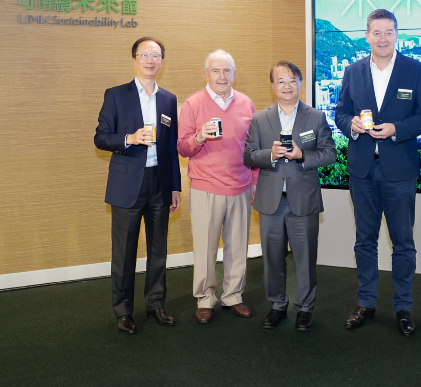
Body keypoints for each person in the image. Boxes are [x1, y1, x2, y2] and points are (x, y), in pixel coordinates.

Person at [335, 9, 421, 335]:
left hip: (400, 170)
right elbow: (339, 112)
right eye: (376, 33)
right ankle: (365, 302)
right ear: (367, 36)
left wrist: (396, 128)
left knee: (403, 242)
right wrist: (348, 123)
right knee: (365, 241)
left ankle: (403, 306)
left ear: (397, 35)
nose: (382, 39)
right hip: (362, 171)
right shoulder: (353, 71)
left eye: (389, 32)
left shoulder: (415, 70)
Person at [94, 36, 181, 335]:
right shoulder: (116, 95)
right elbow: (101, 137)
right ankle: (123, 311)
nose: (150, 60)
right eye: (144, 54)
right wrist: (129, 139)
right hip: (127, 184)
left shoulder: (169, 99)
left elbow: (170, 149)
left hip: (160, 182)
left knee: (159, 250)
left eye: (156, 55)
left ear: (162, 61)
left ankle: (156, 304)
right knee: (124, 252)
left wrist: (175, 187)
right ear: (134, 59)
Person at [244, 61, 336, 331]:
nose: (287, 86)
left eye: (292, 80)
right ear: (272, 86)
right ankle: (277, 305)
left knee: (305, 257)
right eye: (280, 81)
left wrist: (302, 155)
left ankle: (305, 308)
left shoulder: (316, 117)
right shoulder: (260, 118)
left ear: (300, 83)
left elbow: (329, 153)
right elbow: (248, 155)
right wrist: (269, 155)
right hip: (271, 199)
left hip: (303, 199)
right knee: (272, 257)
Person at [178, 49, 257, 324]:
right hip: (206, 186)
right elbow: (183, 147)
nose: (221, 76)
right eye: (216, 71)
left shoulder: (247, 103)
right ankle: (205, 298)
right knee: (206, 246)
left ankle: (233, 295)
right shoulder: (193, 104)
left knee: (238, 246)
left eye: (227, 71)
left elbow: (253, 147)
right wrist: (199, 136)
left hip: (241, 185)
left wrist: (255, 180)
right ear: (206, 74)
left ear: (234, 74)